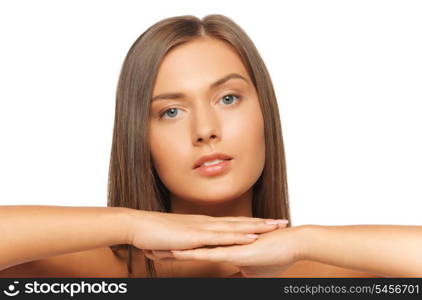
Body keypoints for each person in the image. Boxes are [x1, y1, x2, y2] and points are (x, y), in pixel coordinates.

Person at [1, 14, 421, 278]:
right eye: (170, 112)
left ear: (265, 115)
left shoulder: (324, 271)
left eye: (228, 99)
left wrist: (305, 241)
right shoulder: (74, 271)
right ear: (138, 138)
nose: (205, 130)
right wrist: (128, 224)